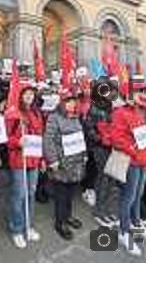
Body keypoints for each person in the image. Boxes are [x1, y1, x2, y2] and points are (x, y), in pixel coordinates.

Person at [109, 86, 146, 256]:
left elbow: (144, 134)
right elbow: (116, 139)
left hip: (143, 158)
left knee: (138, 194)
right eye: (138, 92)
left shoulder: (142, 111)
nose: (142, 95)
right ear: (128, 95)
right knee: (128, 197)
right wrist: (134, 151)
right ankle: (124, 231)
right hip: (130, 160)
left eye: (143, 92)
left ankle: (136, 224)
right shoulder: (119, 112)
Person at [43, 87, 87, 241]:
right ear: (61, 103)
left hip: (75, 163)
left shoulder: (75, 116)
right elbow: (48, 140)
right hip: (61, 163)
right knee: (61, 194)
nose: (71, 104)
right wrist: (53, 160)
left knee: (70, 192)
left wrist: (84, 154)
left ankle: (68, 216)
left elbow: (80, 137)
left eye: (73, 101)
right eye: (68, 101)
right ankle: (60, 222)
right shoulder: (53, 117)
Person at [5, 85, 44, 249]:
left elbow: (40, 137)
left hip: (34, 160)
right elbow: (5, 138)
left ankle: (28, 225)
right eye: (26, 94)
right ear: (20, 96)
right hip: (19, 160)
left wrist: (42, 159)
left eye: (31, 94)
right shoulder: (14, 115)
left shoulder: (37, 113)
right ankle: (16, 229)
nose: (29, 97)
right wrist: (16, 142)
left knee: (30, 193)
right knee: (19, 195)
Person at [83, 89, 118, 228]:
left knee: (112, 179)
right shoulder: (94, 107)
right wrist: (100, 139)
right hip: (100, 148)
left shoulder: (112, 107)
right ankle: (99, 211)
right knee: (103, 178)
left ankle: (108, 210)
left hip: (113, 147)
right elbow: (88, 128)